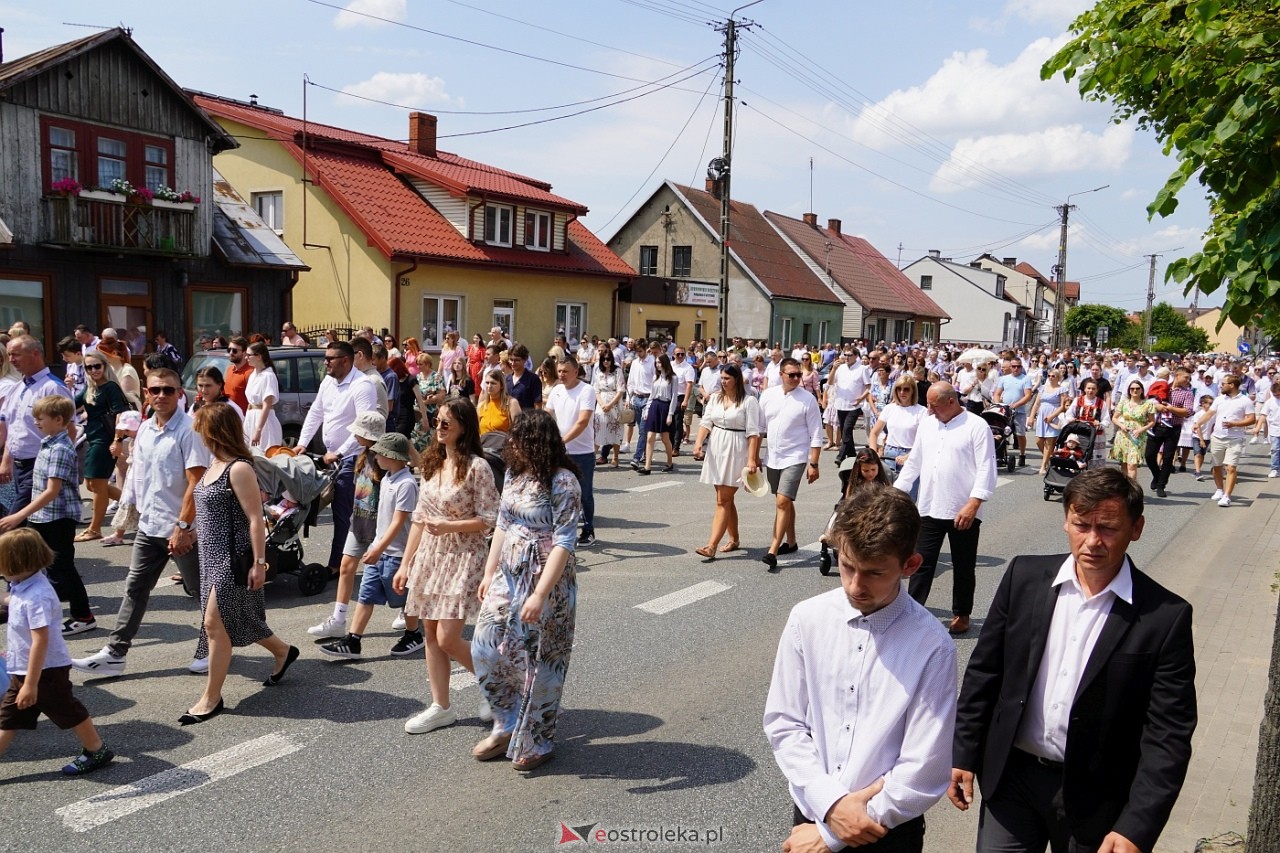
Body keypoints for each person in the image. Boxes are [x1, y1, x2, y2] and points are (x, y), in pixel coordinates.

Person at [950, 467, 1196, 853]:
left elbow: (1168, 735)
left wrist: (1137, 826)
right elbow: (984, 673)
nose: (1092, 541)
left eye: (1109, 528)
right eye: (1082, 524)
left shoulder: (1164, 617)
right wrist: (962, 754)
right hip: (1011, 782)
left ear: (1137, 528)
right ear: (1066, 520)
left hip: (1098, 801)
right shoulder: (1022, 577)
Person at [764, 485, 956, 853]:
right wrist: (831, 806)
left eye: (874, 573)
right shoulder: (808, 619)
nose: (855, 585)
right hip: (813, 812)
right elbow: (785, 722)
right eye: (847, 566)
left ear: (910, 565)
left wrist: (832, 834)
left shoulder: (931, 645)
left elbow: (924, 766)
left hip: (886, 829)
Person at [72, 369, 211, 677]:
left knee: (202, 592)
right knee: (135, 588)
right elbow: (142, 478)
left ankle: (211, 645)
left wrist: (185, 526)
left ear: (179, 394)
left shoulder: (190, 431)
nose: (161, 395)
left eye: (168, 390)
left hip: (182, 528)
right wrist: (130, 513)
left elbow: (196, 482)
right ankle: (115, 653)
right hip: (150, 526)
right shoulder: (146, 429)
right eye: (155, 390)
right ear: (146, 394)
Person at [471, 410, 581, 771]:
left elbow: (565, 542)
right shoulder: (516, 475)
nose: (511, 443)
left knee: (541, 661)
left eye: (518, 437)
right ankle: (506, 721)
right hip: (508, 574)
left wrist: (539, 594)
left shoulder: (562, 482)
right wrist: (489, 572)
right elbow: (503, 524)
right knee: (484, 645)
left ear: (536, 441)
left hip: (547, 580)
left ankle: (539, 740)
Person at [182, 404, 299, 725]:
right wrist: (189, 531)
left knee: (213, 624)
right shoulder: (212, 466)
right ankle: (283, 652)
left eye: (203, 430)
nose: (200, 437)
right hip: (210, 556)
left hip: (233, 559)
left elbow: (255, 519)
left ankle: (211, 698)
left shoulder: (239, 468)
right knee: (239, 618)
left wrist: (259, 563)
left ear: (215, 432)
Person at [391, 401, 499, 733]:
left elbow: (490, 519)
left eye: (446, 423)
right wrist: (405, 564)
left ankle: (498, 686)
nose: (439, 428)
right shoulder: (432, 464)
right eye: (437, 422)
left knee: (449, 637)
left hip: (464, 554)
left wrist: (450, 526)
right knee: (431, 636)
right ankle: (441, 706)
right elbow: (421, 520)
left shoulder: (478, 467)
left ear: (464, 428)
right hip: (431, 555)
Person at [0, 528, 115, 775]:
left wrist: (30, 684)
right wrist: (5, 600)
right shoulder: (22, 584)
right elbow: (13, 601)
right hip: (23, 668)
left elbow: (40, 640)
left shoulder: (38, 595)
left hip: (45, 670)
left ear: (18, 563)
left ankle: (97, 750)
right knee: (8, 718)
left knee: (67, 709)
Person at [894, 382, 997, 635]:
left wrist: (974, 503)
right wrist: (896, 493)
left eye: (933, 405)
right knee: (920, 563)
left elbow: (987, 467)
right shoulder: (928, 424)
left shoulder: (976, 426)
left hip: (963, 509)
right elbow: (914, 461)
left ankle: (962, 614)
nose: (928, 410)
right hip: (929, 506)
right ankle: (911, 612)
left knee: (963, 565)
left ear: (951, 402)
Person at [319, 432, 422, 660]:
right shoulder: (387, 479)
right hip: (379, 549)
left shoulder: (406, 484)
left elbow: (398, 522)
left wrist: (378, 547)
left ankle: (413, 634)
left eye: (381, 453)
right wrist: (375, 546)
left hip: (397, 552)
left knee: (405, 599)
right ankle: (353, 640)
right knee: (365, 595)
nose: (376, 456)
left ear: (393, 457)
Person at [0, 395, 96, 637]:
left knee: (63, 567)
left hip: (58, 518)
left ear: (59, 419)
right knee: (39, 562)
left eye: (40, 419)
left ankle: (84, 616)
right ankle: (23, 604)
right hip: (43, 516)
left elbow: (52, 491)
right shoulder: (49, 442)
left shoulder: (61, 449)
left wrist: (18, 515)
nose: (36, 423)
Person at [296, 341, 380, 580]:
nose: (325, 362)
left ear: (345, 360)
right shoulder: (328, 382)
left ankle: (337, 564)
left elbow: (364, 427)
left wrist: (340, 452)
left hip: (355, 457)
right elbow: (316, 413)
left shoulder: (362, 385)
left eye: (330, 358)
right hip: (331, 457)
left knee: (344, 512)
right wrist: (303, 442)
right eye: (326, 358)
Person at [307, 411, 387, 639]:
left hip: (378, 526)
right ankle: (339, 619)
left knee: (390, 575)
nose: (354, 435)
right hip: (359, 521)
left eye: (358, 432)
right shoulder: (361, 455)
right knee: (345, 568)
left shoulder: (383, 460)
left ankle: (409, 614)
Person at [753, 358, 824, 569]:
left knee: (782, 501)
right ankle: (791, 542)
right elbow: (759, 429)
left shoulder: (807, 399)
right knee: (783, 499)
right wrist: (755, 457)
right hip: (773, 457)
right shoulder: (768, 396)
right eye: (791, 374)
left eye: (798, 375)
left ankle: (773, 549)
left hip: (796, 457)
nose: (795, 378)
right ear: (781, 374)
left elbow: (817, 434)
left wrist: (814, 464)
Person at [692, 365, 761, 561]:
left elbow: (753, 433)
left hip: (737, 449)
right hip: (717, 447)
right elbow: (706, 422)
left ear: (737, 380)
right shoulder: (715, 398)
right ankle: (734, 539)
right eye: (722, 378)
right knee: (725, 498)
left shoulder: (749, 402)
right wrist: (698, 444)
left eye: (727, 378)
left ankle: (711, 545)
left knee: (722, 500)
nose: (723, 381)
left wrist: (751, 460)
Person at [0, 336, 76, 515]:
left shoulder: (52, 388)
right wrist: (6, 461)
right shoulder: (17, 388)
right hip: (19, 468)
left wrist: (57, 467)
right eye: (9, 355)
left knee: (13, 523)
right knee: (30, 525)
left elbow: (69, 429)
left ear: (35, 354)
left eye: (16, 355)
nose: (11, 360)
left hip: (40, 464)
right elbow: (12, 428)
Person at [74, 352, 130, 541]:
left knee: (97, 484)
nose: (94, 370)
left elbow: (121, 415)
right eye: (89, 367)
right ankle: (134, 504)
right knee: (91, 484)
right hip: (92, 438)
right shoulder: (90, 388)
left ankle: (95, 529)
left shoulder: (111, 387)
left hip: (105, 440)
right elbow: (71, 404)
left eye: (97, 366)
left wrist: (117, 440)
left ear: (105, 366)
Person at [547, 357, 597, 546]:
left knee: (584, 493)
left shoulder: (586, 390)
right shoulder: (556, 390)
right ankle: (561, 528)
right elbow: (548, 415)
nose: (562, 375)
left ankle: (588, 528)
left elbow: (583, 421)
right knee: (557, 492)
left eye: (566, 371)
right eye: (559, 371)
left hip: (582, 452)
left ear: (576, 371)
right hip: (560, 452)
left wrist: (562, 441)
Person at [1196, 373, 1255, 507]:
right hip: (1217, 437)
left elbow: (1252, 419)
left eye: (1223, 384)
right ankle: (1219, 489)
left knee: (1231, 468)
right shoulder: (1219, 399)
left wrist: (1235, 424)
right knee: (1217, 467)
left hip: (1235, 439)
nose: (1221, 386)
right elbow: (1210, 414)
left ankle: (1227, 496)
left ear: (1232, 385)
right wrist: (1198, 423)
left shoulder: (1245, 400)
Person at [1146, 367, 1196, 497]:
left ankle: (1161, 485)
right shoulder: (1162, 386)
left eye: (1189, 378)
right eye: (1185, 377)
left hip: (1173, 427)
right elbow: (1148, 401)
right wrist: (1155, 405)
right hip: (1157, 425)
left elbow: (1187, 411)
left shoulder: (1187, 393)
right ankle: (1157, 475)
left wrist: (1171, 408)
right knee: (1149, 455)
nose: (1187, 380)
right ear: (1177, 375)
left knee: (1168, 458)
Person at [868, 376, 925, 483]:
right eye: (899, 389)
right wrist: (873, 452)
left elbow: (924, 440)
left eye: (906, 389)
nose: (902, 392)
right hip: (889, 454)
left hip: (910, 455)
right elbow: (874, 433)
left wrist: (909, 456)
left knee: (907, 497)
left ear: (913, 391)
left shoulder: (921, 411)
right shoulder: (890, 408)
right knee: (887, 495)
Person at [636, 354, 677, 476]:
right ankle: (647, 466)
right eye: (657, 363)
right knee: (650, 437)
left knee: (665, 438)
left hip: (665, 406)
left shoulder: (673, 378)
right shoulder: (655, 377)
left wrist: (670, 414)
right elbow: (652, 395)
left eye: (660, 362)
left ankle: (670, 462)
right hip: (654, 405)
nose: (658, 365)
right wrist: (647, 409)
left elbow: (674, 397)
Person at [1109, 380, 1156, 483]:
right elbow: (1114, 418)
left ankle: (1132, 489)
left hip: (1138, 436)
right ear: (1129, 390)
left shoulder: (1148, 404)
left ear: (1142, 390)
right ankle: (1124, 488)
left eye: (1137, 388)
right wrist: (1121, 425)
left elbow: (1152, 422)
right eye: (1132, 388)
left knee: (1132, 464)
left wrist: (1141, 429)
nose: (1135, 390)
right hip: (1123, 435)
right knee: (1124, 463)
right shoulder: (1124, 402)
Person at [993, 357, 1034, 468]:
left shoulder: (1025, 379)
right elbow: (997, 394)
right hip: (1005, 411)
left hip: (1018, 411)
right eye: (1014, 366)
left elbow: (1028, 396)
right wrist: (998, 405)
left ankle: (1022, 454)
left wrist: (1015, 405)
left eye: (1018, 366)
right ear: (1010, 367)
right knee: (1002, 433)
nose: (1016, 368)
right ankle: (1001, 454)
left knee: (1020, 434)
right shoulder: (1004, 379)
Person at [243, 342, 283, 449]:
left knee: (264, 454)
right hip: (251, 418)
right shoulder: (253, 375)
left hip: (264, 423)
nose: (246, 357)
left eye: (249, 355)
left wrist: (258, 430)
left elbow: (267, 405)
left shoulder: (268, 376)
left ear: (259, 357)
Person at [1029, 369, 1067, 475]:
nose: (1050, 377)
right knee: (1038, 440)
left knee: (1049, 442)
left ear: (1058, 378)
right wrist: (1032, 416)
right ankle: (1050, 458)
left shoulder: (1062, 389)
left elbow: (1062, 406)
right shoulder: (1042, 388)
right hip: (1042, 415)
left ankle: (1043, 465)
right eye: (1049, 375)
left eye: (1053, 376)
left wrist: (1052, 416)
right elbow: (1036, 404)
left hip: (1053, 415)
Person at [592, 350, 624, 467]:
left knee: (615, 430)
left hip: (614, 403)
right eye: (604, 359)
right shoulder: (598, 372)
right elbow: (596, 390)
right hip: (601, 403)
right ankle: (592, 458)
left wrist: (610, 405)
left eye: (608, 359)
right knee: (598, 430)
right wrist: (601, 404)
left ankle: (615, 457)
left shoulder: (617, 371)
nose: (606, 361)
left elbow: (621, 390)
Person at [411, 352, 446, 451]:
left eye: (421, 364)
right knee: (416, 437)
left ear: (428, 364)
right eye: (417, 364)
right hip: (417, 412)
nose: (418, 366)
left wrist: (428, 400)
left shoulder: (436, 377)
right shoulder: (417, 377)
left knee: (429, 439)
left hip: (430, 412)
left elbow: (442, 395)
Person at [477, 369, 521, 439]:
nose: (489, 386)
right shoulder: (481, 406)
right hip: (484, 446)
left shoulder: (511, 403)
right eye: (487, 383)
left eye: (493, 383)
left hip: (503, 447)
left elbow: (519, 429)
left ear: (502, 386)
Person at [220, 337, 253, 413]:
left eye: (234, 351)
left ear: (244, 352)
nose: (231, 353)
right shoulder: (229, 369)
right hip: (228, 417)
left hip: (244, 419)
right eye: (229, 350)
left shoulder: (251, 372)